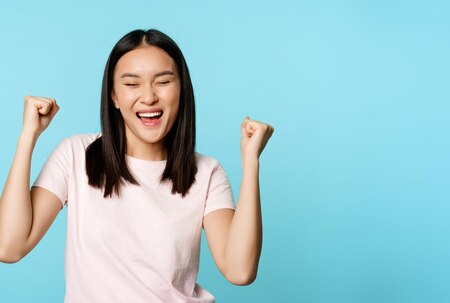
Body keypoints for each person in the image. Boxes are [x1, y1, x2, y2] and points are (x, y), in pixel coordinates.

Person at [0, 29, 274, 302]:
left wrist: (251, 160)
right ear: (114, 97)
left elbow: (240, 270)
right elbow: (8, 246)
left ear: (182, 90)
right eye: (132, 84)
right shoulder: (76, 155)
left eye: (163, 82)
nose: (149, 97)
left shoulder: (206, 172)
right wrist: (28, 136)